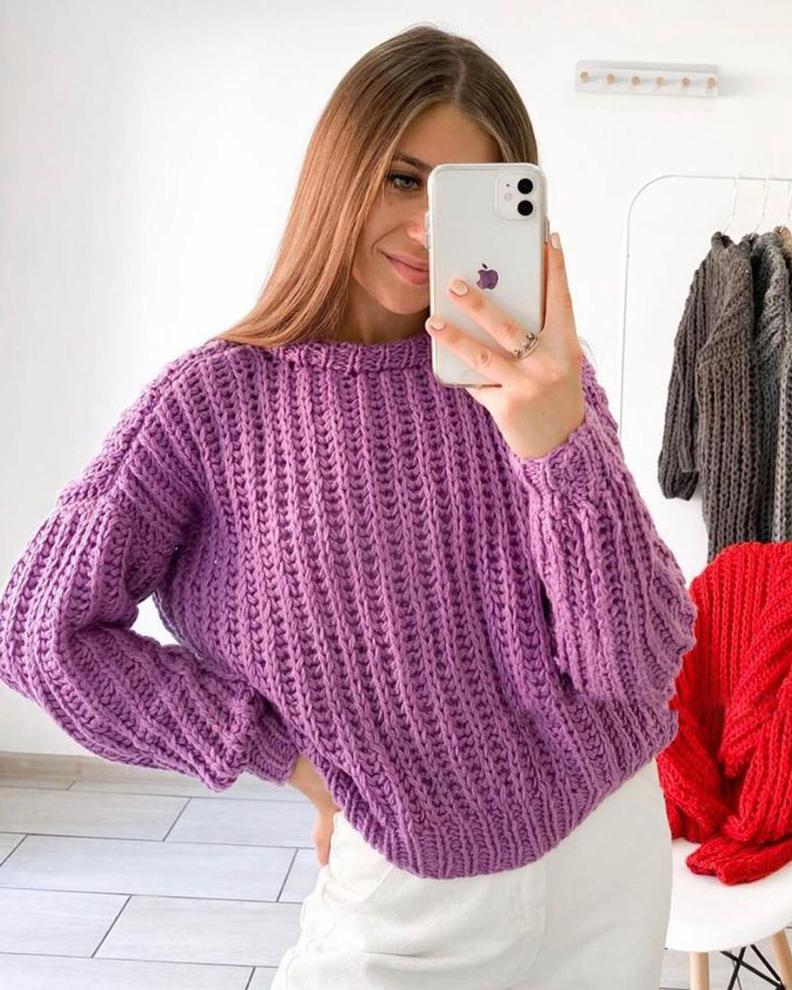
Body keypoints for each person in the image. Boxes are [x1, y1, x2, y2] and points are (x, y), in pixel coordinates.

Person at [0, 22, 697, 990]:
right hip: (410, 889)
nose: (425, 231)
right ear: (340, 173)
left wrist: (558, 446)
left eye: (462, 196)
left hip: (609, 857)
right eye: (402, 180)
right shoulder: (213, 405)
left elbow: (634, 665)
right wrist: (283, 755)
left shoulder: (535, 377)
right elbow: (41, 634)